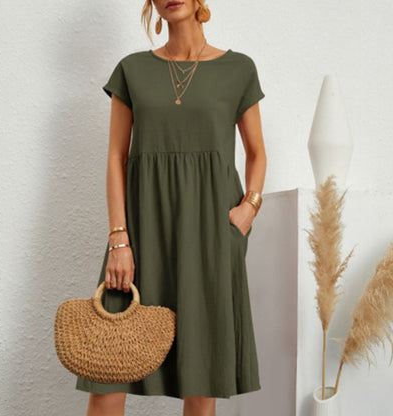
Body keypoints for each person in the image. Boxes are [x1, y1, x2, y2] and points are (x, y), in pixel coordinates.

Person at [76, 0, 267, 415]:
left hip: (211, 234)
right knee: (107, 373)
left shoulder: (239, 69)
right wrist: (119, 239)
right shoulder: (132, 70)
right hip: (142, 231)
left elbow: (256, 153)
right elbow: (116, 158)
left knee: (202, 377)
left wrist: (248, 209)